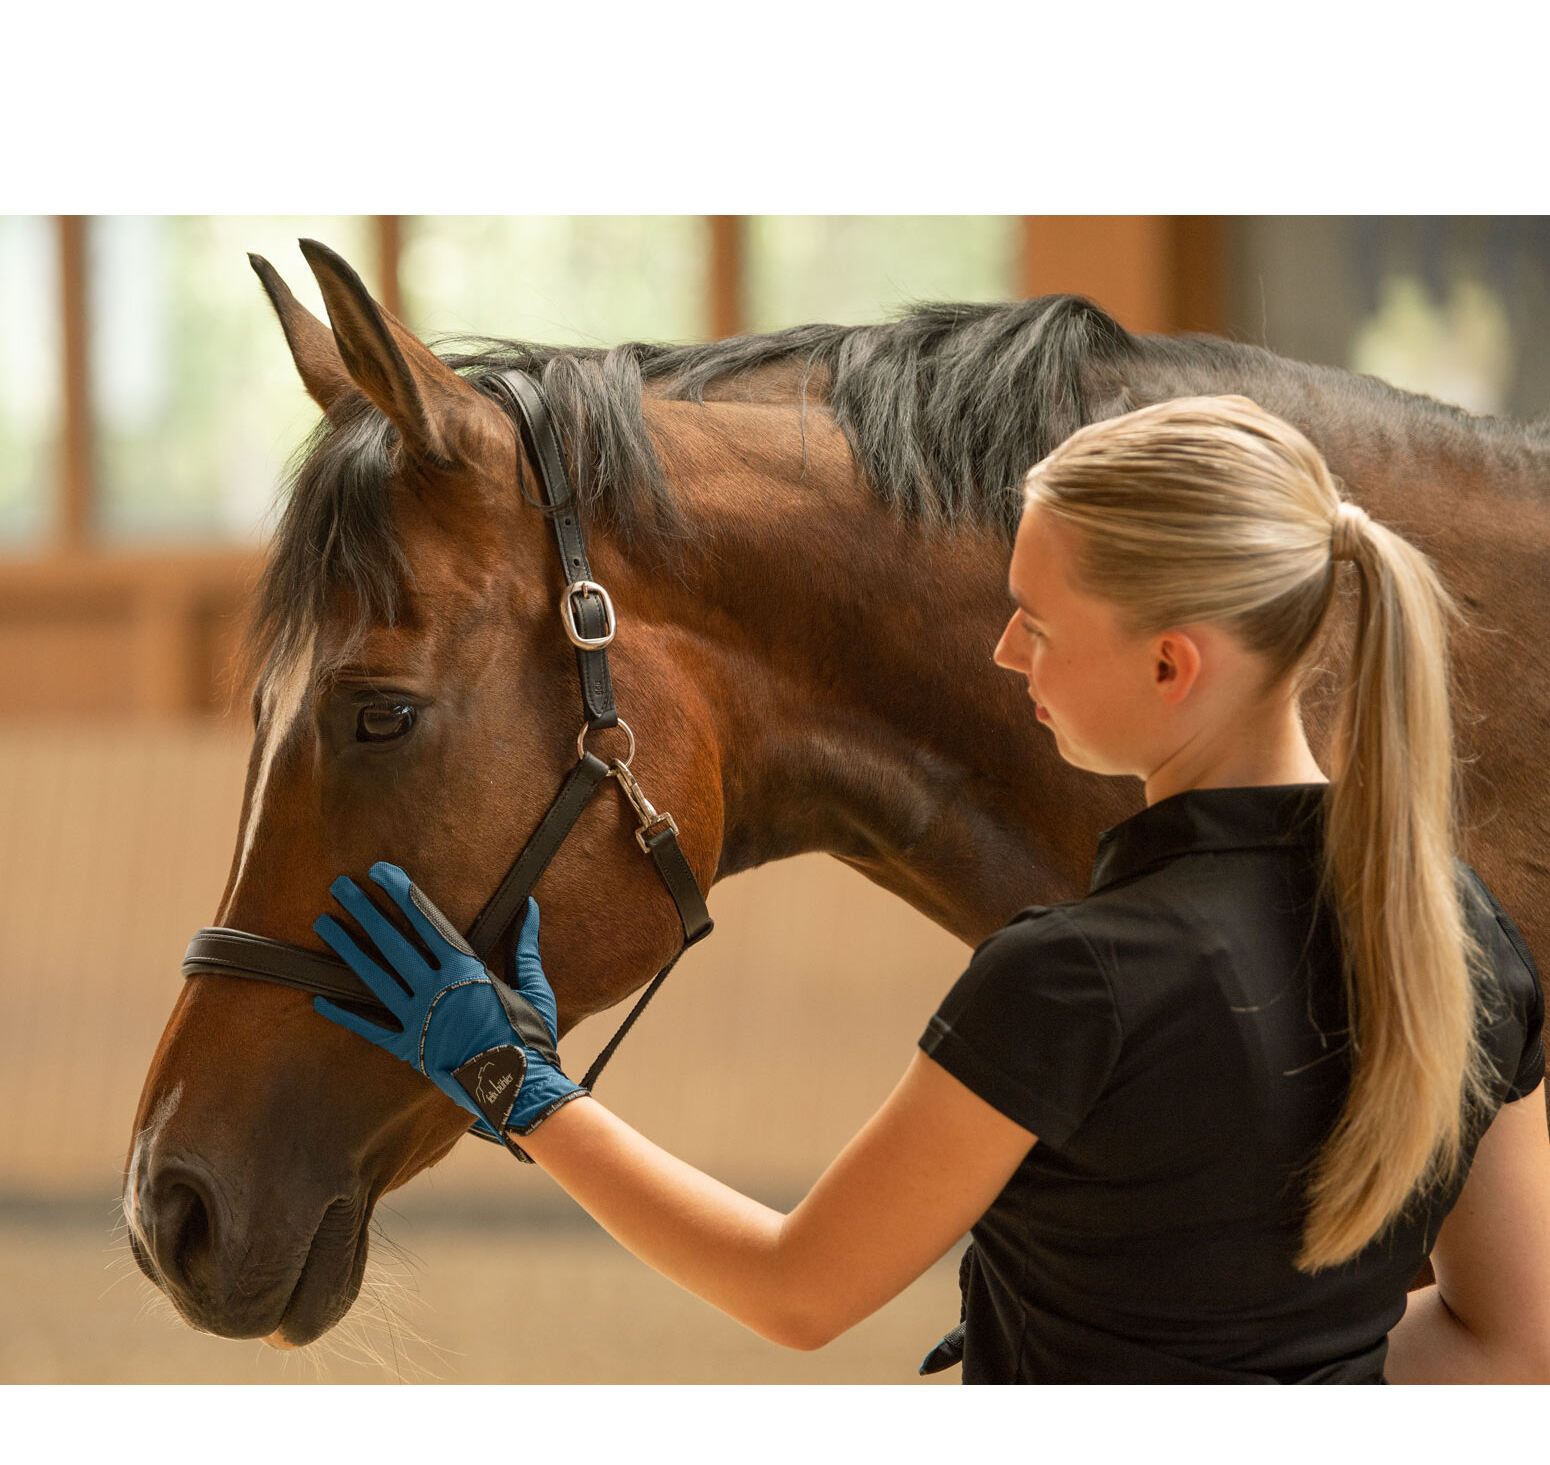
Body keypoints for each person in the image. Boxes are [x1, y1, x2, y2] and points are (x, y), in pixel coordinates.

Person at [311, 395, 1550, 1383]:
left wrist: (518, 1089)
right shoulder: (1467, 938)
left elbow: (796, 1290)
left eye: (1036, 623)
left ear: (1172, 664)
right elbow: (1508, 1346)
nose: (1004, 652)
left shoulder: (1070, 979)